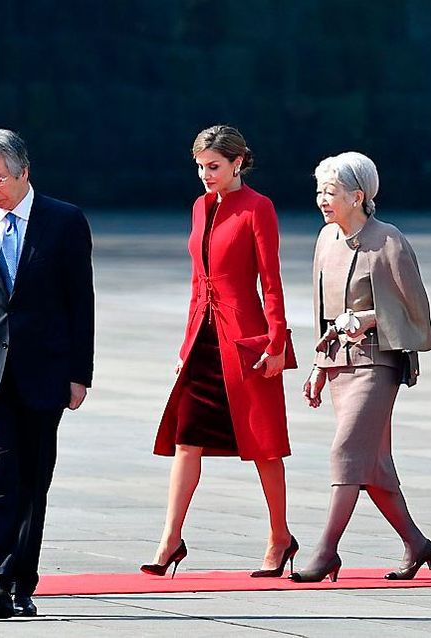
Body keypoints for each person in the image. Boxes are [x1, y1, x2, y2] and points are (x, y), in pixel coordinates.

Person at [0, 128, 94, 618]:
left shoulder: (64, 221)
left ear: (24, 172)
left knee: (32, 478)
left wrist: (80, 374)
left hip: (45, 372)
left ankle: (20, 582)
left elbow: (81, 303)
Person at [148, 125, 296, 579]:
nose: (204, 175)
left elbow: (270, 281)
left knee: (263, 443)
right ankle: (170, 540)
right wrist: (184, 346)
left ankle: (279, 538)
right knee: (185, 439)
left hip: (246, 341)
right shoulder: (199, 207)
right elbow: (198, 284)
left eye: (213, 166)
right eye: (200, 167)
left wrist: (276, 343)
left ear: (237, 163)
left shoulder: (259, 207)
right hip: (203, 343)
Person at [291, 152, 431, 583]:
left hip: (377, 362)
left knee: (346, 451)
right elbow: (321, 311)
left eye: (331, 192)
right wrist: (319, 365)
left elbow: (417, 312)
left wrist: (369, 317)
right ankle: (415, 542)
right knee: (372, 465)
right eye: (319, 191)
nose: (322, 199)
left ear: (358, 196)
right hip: (339, 365)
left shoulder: (387, 240)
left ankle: (326, 551)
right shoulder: (325, 239)